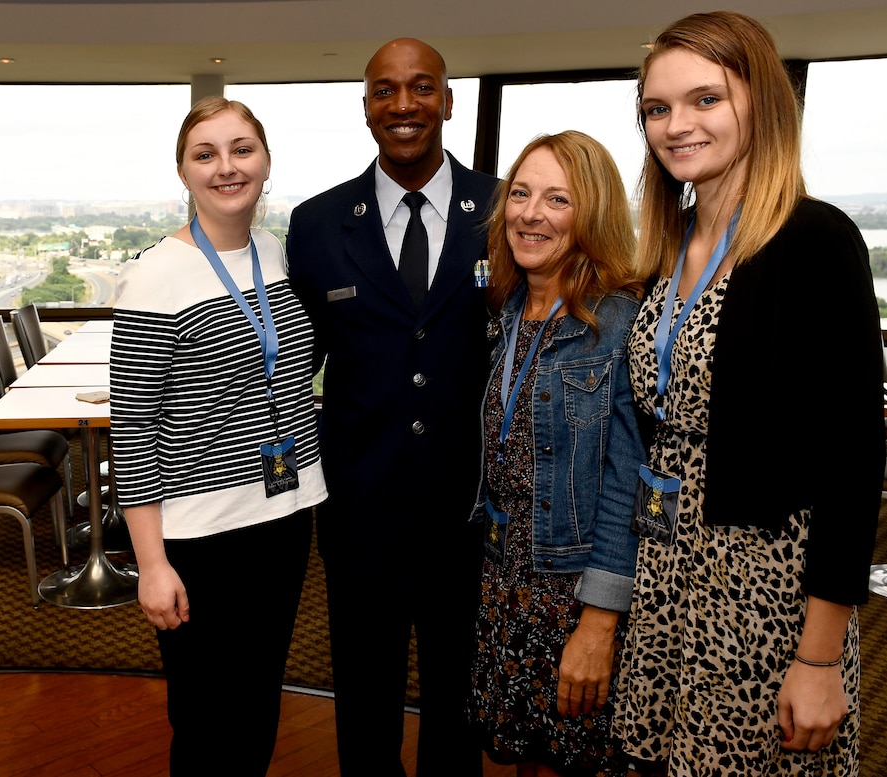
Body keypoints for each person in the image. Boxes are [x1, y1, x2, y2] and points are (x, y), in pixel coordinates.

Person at [612, 11, 884, 777]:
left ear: (760, 103)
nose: (676, 125)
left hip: (764, 592)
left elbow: (854, 460)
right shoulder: (670, 242)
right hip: (666, 569)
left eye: (705, 99)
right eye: (657, 109)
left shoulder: (814, 240)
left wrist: (820, 657)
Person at [285, 38, 498, 777]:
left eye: (421, 88)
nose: (403, 105)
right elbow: (291, 370)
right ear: (366, 107)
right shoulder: (315, 225)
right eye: (385, 90)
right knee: (365, 698)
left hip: (470, 513)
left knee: (457, 701)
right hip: (359, 510)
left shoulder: (505, 212)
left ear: (448, 99)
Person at [110, 96, 327, 775]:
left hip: (287, 516)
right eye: (206, 154)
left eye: (241, 149)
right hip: (201, 534)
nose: (226, 167)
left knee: (258, 702)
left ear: (265, 161)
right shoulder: (153, 277)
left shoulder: (275, 252)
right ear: (183, 171)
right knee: (206, 718)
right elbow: (134, 426)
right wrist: (151, 563)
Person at [467, 131, 645, 777]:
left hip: (572, 595)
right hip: (505, 582)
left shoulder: (618, 320)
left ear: (591, 213)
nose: (530, 213)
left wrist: (597, 624)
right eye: (520, 193)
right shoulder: (508, 309)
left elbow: (630, 487)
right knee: (525, 762)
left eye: (556, 198)